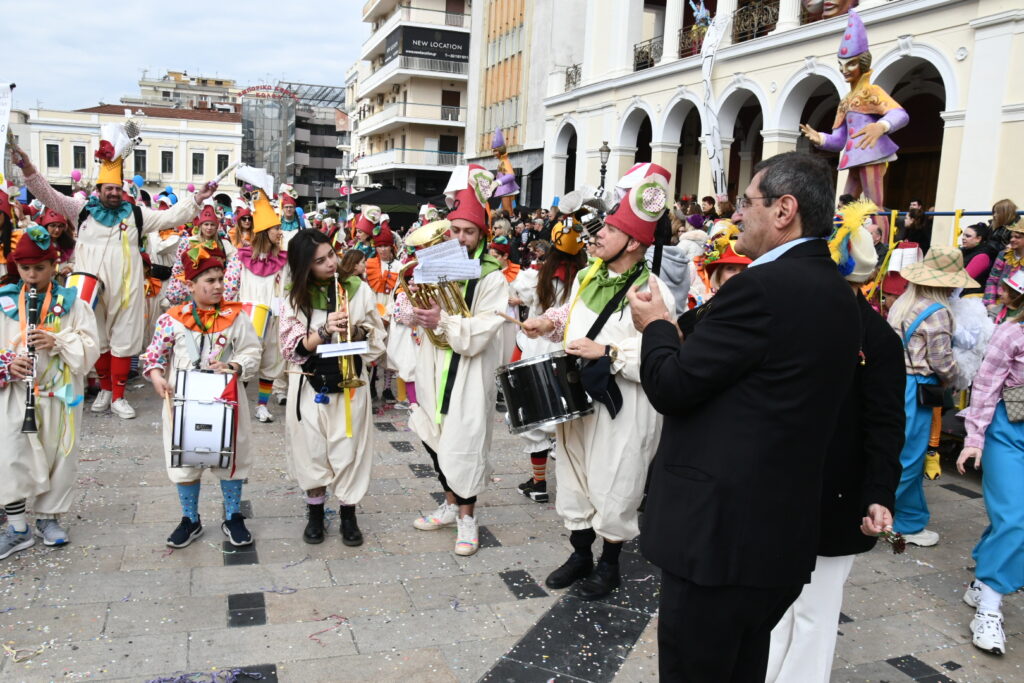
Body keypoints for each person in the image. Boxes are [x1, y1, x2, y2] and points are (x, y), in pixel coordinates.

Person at [628, 152, 861, 682]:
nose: (736, 217)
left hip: (719, 538)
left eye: (746, 204)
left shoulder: (762, 288)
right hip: (778, 536)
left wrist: (658, 327)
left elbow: (674, 386)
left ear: (784, 210)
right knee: (744, 666)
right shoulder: (837, 293)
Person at [523, 163, 678, 599]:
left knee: (616, 480)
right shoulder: (588, 275)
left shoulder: (651, 289)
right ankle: (579, 553)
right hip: (579, 397)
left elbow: (663, 353)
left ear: (631, 241)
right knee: (573, 474)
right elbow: (574, 316)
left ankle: (609, 565)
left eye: (606, 230)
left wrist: (608, 354)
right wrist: (547, 324)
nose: (595, 237)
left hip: (623, 404)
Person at [766, 201, 905, 683]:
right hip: (778, 488)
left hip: (837, 494)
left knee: (814, 612)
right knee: (770, 604)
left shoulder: (878, 339)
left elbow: (886, 424)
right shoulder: (790, 318)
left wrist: (879, 493)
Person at [12, 131, 217, 421]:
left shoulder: (135, 215)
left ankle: (119, 396)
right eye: (107, 188)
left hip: (127, 289)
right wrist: (27, 168)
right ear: (98, 188)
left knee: (123, 340)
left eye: (116, 188)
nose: (112, 193)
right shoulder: (80, 210)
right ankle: (105, 390)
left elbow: (172, 216)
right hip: (89, 289)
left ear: (122, 189)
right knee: (97, 339)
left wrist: (197, 199)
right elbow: (49, 195)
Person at [401, 164, 508, 557]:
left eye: (469, 231)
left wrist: (442, 320)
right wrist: (413, 310)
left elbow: (484, 328)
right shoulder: (436, 263)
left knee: (466, 444)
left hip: (468, 370)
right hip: (435, 365)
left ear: (482, 234)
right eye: (456, 230)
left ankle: (468, 518)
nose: (461, 238)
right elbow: (414, 308)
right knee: (437, 440)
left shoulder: (493, 275)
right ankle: (449, 506)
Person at [142, 252, 261, 548]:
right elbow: (154, 356)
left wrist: (234, 366)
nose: (219, 286)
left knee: (229, 458)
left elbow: (251, 351)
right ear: (191, 285)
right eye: (210, 280)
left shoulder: (237, 316)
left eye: (221, 279)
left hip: (226, 401)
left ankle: (233, 516)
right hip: (182, 402)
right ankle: (190, 519)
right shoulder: (171, 319)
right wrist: (156, 376)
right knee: (184, 460)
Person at [279, 230, 385, 546]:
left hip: (350, 382)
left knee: (350, 450)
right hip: (309, 385)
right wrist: (324, 330)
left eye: (331, 255)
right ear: (303, 266)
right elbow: (291, 348)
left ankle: (348, 516)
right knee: (311, 450)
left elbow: (378, 339)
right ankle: (315, 514)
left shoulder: (358, 290)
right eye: (319, 261)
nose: (330, 264)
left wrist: (360, 334)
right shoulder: (292, 297)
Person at [0, 226, 100, 557]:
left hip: (59, 393)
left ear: (54, 266)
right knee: (11, 455)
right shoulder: (4, 304)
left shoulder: (72, 304)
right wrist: (7, 365)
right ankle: (17, 527)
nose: (31, 275)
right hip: (16, 392)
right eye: (25, 268)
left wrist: (57, 341)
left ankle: (48, 517)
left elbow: (90, 347)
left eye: (39, 268)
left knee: (59, 454)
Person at [887, 246, 977, 546]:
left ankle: (910, 520)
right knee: (910, 458)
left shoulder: (904, 302)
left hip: (894, 382)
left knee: (899, 450)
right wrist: (958, 378)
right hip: (918, 387)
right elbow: (942, 362)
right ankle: (877, 514)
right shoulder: (939, 313)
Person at [956, 302, 1024, 656]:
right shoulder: (1011, 333)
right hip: (1008, 433)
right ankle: (989, 609)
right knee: (1014, 519)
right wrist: (974, 439)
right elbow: (984, 388)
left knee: (1014, 520)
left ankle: (982, 580)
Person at [800, 10, 909, 215]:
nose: (844, 69)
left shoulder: (871, 92)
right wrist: (820, 139)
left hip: (872, 154)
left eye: (851, 63)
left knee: (873, 207)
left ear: (863, 63)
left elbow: (900, 114)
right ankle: (841, 242)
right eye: (841, 64)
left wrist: (881, 126)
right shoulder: (845, 102)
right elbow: (840, 141)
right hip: (854, 158)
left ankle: (881, 243)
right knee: (844, 208)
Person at [512, 220, 588, 502]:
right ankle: (572, 484)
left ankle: (539, 482)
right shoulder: (587, 274)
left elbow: (520, 290)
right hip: (572, 348)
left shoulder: (540, 276)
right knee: (569, 420)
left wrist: (535, 265)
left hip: (538, 346)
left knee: (536, 417)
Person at [224, 182, 289, 423]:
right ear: (264, 231)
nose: (279, 233)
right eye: (276, 229)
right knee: (244, 360)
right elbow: (229, 289)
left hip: (275, 318)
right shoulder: (239, 259)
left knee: (272, 361)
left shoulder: (283, 259)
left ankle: (262, 405)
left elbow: (289, 287)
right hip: (247, 319)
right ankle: (235, 401)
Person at [164, 203, 239, 306]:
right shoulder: (188, 242)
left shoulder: (224, 244)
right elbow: (178, 268)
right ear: (200, 226)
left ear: (217, 227)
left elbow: (234, 264)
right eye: (206, 224)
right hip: (191, 291)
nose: (209, 228)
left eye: (212, 225)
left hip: (214, 291)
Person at [983, 222, 1024, 309]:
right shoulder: (1004, 255)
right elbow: (993, 279)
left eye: (1017, 237)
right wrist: (990, 303)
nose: (1012, 240)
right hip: (1000, 301)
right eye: (1012, 236)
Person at [960, 223, 996, 297]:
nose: (963, 238)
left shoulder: (982, 256)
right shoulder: (966, 251)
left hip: (971, 295)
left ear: (978, 239)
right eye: (963, 235)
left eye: (968, 236)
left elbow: (964, 279)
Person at [37, 209, 75, 278]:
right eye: (53, 225)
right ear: (46, 226)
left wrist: (68, 268)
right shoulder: (39, 243)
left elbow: (74, 261)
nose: (57, 230)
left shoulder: (69, 244)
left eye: (60, 226)